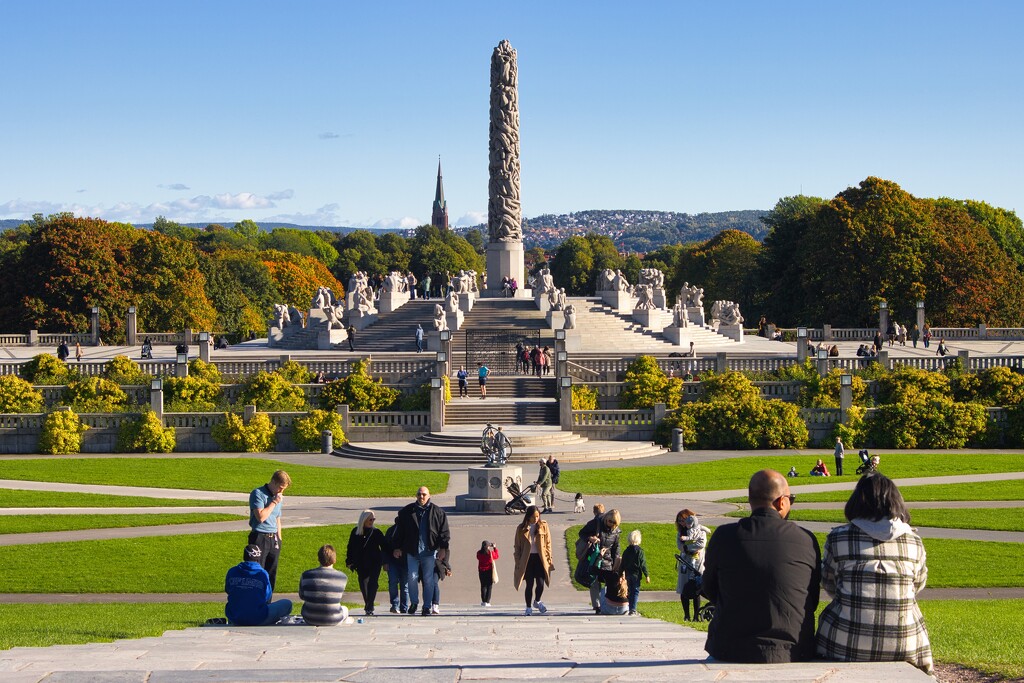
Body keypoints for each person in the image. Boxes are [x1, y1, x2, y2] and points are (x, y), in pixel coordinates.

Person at [816, 473, 933, 674]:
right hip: (905, 644)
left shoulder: (838, 538)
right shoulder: (914, 541)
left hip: (845, 644)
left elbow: (828, 582)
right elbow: (917, 585)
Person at [702, 469, 821, 663]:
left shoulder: (724, 536)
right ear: (782, 501)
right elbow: (811, 599)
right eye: (792, 498)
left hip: (731, 648)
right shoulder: (805, 539)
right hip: (793, 649)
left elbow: (710, 589)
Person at [392, 486, 450, 616]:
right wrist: (397, 547)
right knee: (412, 577)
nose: (421, 497)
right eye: (419, 494)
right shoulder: (407, 512)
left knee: (428, 579)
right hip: (412, 551)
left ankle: (427, 606)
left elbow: (444, 533)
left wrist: (443, 549)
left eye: (424, 494)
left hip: (429, 552)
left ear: (429, 495)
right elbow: (400, 532)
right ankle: (414, 602)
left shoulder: (438, 512)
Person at [225, 544, 293, 626]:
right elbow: (267, 596)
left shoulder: (232, 571)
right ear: (258, 558)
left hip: (235, 618)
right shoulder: (262, 573)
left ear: (244, 557)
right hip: (258, 618)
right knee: (287, 603)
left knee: (233, 604)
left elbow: (228, 590)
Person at [248, 470, 290, 591]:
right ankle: (257, 602)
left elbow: (277, 518)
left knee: (271, 573)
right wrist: (274, 502)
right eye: (280, 488)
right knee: (258, 573)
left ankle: (268, 603)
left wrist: (279, 539)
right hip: (260, 537)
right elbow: (260, 517)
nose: (281, 492)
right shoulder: (258, 493)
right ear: (273, 482)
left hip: (274, 538)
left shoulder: (277, 497)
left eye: (284, 489)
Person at [513, 505, 554, 616]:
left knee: (541, 583)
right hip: (527, 559)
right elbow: (517, 546)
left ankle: (537, 601)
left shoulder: (543, 526)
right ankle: (528, 607)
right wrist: (518, 561)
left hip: (540, 558)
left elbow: (548, 543)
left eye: (537, 516)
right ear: (528, 517)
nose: (536, 519)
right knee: (529, 584)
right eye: (533, 517)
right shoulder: (521, 528)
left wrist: (549, 557)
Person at [346, 510, 386, 616]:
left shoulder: (376, 532)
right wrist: (349, 561)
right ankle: (368, 603)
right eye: (370, 519)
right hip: (360, 563)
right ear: (364, 520)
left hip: (375, 562)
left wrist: (385, 561)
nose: (372, 521)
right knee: (363, 584)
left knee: (373, 583)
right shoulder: (355, 531)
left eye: (373, 519)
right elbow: (350, 547)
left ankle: (369, 606)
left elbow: (385, 546)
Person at [298, 544, 348, 626]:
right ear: (334, 560)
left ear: (318, 558)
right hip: (334, 619)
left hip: (309, 618)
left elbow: (302, 596)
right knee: (345, 609)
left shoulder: (306, 575)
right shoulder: (342, 577)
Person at [676, 509, 710, 621]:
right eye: (679, 521)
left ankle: (696, 615)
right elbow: (680, 546)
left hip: (697, 561)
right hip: (685, 561)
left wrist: (688, 548)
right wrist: (687, 549)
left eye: (683, 520)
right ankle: (686, 615)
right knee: (683, 588)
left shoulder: (700, 530)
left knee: (696, 587)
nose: (681, 523)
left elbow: (701, 544)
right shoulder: (681, 533)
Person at [577, 503, 606, 611]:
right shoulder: (607, 521)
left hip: (593, 554)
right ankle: (606, 602)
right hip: (606, 553)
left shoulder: (593, 523)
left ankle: (596, 604)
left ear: (594, 512)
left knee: (594, 579)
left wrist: (590, 538)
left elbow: (581, 533)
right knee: (606, 578)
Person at [620, 529, 650, 616]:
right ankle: (633, 609)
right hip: (636, 574)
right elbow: (643, 564)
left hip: (628, 574)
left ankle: (630, 608)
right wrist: (647, 575)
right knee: (635, 591)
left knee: (630, 591)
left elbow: (623, 563)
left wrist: (621, 574)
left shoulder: (626, 551)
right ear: (639, 540)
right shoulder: (640, 551)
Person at [383, 515, 409, 614]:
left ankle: (404, 607)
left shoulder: (409, 532)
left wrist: (402, 550)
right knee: (393, 583)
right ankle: (394, 605)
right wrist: (385, 562)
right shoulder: (391, 531)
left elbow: (411, 546)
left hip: (405, 562)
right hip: (392, 561)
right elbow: (385, 547)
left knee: (405, 585)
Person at [477, 540, 499, 606]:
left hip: (481, 571)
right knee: (489, 586)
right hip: (489, 571)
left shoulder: (479, 553)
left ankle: (483, 601)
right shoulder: (490, 553)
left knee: (483, 586)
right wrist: (495, 548)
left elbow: (478, 558)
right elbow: (497, 556)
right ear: (488, 546)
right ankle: (487, 601)